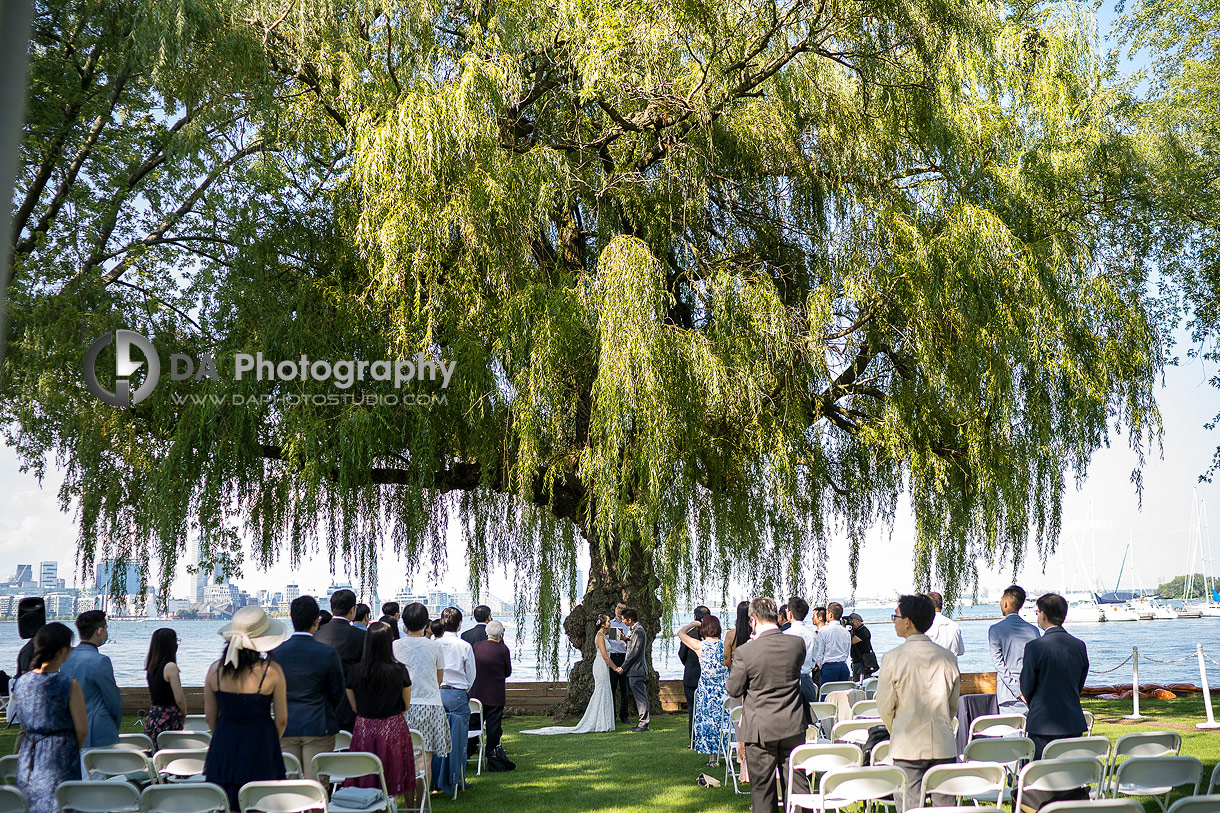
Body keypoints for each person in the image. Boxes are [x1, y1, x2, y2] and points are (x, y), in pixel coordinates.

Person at [725, 597, 811, 813]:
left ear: (753, 621)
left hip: (760, 727)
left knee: (763, 789)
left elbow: (734, 689)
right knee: (797, 783)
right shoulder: (796, 644)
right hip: (793, 721)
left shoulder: (746, 652)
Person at [875, 594, 960, 812]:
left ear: (907, 621)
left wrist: (899, 728)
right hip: (943, 742)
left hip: (907, 745)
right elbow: (952, 706)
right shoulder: (947, 657)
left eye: (895, 616)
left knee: (910, 806)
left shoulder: (892, 658)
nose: (893, 620)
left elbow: (885, 706)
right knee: (945, 808)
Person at [202, 605, 289, 811]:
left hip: (224, 744)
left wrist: (222, 734)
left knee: (225, 804)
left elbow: (209, 717)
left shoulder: (215, 670)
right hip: (261, 745)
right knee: (262, 803)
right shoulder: (272, 671)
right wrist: (268, 739)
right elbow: (282, 719)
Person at [12, 622, 87, 813]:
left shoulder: (21, 683)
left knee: (32, 803)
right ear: (62, 651)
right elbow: (81, 729)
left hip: (29, 752)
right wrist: (68, 747)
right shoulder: (69, 684)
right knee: (63, 804)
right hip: (60, 752)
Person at [274, 595, 346, 780]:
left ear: (292, 619)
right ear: (316, 621)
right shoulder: (327, 653)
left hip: (286, 725)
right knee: (315, 787)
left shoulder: (275, 652)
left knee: (290, 784)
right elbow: (338, 691)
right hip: (318, 724)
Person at [345, 621, 415, 798]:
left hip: (364, 728)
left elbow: (354, 705)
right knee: (398, 771)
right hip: (393, 727)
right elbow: (405, 704)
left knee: (365, 773)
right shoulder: (399, 670)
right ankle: (409, 808)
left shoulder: (355, 671)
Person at [393, 602, 449, 809]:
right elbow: (439, 677)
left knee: (406, 759)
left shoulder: (395, 646)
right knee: (425, 759)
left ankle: (409, 804)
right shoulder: (434, 646)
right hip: (430, 703)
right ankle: (423, 804)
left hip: (404, 706)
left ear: (405, 622)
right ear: (426, 623)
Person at [521, 614, 615, 736]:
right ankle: (600, 722)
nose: (610, 623)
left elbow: (613, 635)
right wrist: (615, 667)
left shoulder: (604, 635)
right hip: (601, 665)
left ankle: (604, 722)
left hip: (603, 666)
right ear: (603, 624)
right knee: (601, 691)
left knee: (604, 690)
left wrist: (622, 637)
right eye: (608, 621)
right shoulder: (600, 636)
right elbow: (604, 655)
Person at [1021, 593, 1089, 758]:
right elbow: (1080, 680)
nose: (1037, 616)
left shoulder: (1034, 647)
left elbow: (1027, 684)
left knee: (1040, 773)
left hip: (1042, 723)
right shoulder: (1079, 645)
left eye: (1037, 612)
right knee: (1069, 772)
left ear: (1043, 614)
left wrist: (1034, 701)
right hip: (1072, 720)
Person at [59, 610, 120, 749]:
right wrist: (114, 723)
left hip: (72, 726)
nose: (106, 633)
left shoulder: (66, 659)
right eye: (106, 629)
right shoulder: (100, 661)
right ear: (99, 631)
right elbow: (113, 700)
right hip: (98, 730)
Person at [434, 606, 476, 794]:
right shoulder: (464, 646)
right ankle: (457, 779)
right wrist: (464, 689)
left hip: (438, 692)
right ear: (459, 625)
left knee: (436, 738)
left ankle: (435, 778)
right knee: (459, 739)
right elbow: (471, 674)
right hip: (458, 693)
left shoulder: (434, 645)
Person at [677, 614, 728, 767]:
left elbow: (680, 634)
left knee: (708, 722)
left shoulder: (700, 646)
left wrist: (693, 624)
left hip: (707, 690)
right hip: (722, 689)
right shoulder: (725, 646)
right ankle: (727, 751)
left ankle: (712, 757)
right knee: (723, 721)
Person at [314, 588, 366, 731]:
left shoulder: (317, 635)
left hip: (321, 707)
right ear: (352, 610)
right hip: (352, 707)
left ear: (332, 609)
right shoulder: (361, 637)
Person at [987, 585, 1040, 714]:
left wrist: (1017, 690)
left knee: (1011, 732)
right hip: (1031, 693)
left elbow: (999, 665)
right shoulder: (1033, 631)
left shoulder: (995, 630)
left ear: (1005, 602)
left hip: (1008, 695)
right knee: (1030, 732)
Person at [469, 620, 514, 769]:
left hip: (477, 693)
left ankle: (468, 751)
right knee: (493, 727)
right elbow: (508, 672)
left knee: (473, 723)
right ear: (501, 634)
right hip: (495, 693)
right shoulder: (502, 650)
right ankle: (493, 756)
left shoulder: (476, 646)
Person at [722, 599, 753, 782]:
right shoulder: (755, 635)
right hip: (754, 680)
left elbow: (726, 660)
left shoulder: (731, 636)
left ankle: (741, 761)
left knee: (737, 720)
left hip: (736, 678)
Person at [144, 627, 188, 746]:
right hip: (168, 717)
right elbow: (179, 698)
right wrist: (184, 713)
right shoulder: (170, 667)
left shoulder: (151, 667)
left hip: (153, 716)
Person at [678, 605, 709, 742]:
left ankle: (693, 738)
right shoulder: (712, 635)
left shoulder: (689, 635)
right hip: (706, 676)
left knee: (692, 709)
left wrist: (689, 665)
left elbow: (682, 654)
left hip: (691, 675)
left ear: (695, 617)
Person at [617, 607, 650, 732]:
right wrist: (626, 640)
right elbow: (632, 647)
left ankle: (644, 724)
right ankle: (642, 723)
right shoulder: (634, 631)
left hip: (637, 670)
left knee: (641, 698)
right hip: (634, 670)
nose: (623, 622)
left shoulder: (638, 631)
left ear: (629, 620)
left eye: (624, 620)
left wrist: (623, 668)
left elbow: (634, 653)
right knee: (639, 697)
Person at [783, 597, 818, 703]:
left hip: (789, 681)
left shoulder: (785, 635)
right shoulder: (812, 635)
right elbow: (814, 660)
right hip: (806, 679)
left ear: (790, 613)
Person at [817, 602, 852, 684]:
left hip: (829, 667)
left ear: (830, 615)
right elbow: (847, 651)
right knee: (842, 694)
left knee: (827, 693)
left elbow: (819, 652)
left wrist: (819, 665)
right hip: (843, 666)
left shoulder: (824, 630)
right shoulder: (846, 632)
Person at [608, 602, 631, 723]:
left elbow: (631, 643)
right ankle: (612, 714)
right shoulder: (609, 624)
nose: (619, 610)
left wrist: (624, 639)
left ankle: (624, 715)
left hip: (624, 656)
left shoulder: (628, 625)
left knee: (624, 688)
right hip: (613, 656)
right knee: (611, 687)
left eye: (622, 608)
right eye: (618, 607)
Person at [847, 613, 879, 681]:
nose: (851, 623)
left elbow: (851, 641)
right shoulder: (854, 631)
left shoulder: (863, 631)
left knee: (862, 683)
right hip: (856, 661)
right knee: (856, 682)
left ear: (858, 621)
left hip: (863, 663)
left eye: (852, 621)